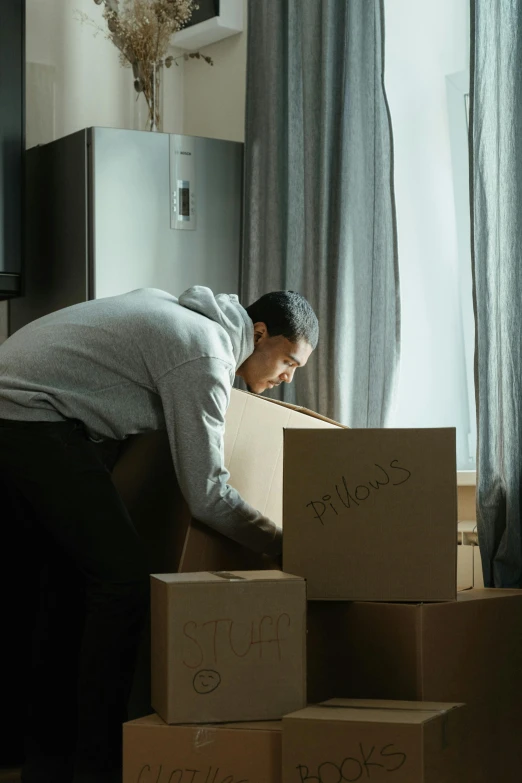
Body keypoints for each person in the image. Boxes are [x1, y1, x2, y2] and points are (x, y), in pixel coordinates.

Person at [0, 285, 318, 783]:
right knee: (122, 582)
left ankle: (45, 758)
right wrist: (284, 543)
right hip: (26, 416)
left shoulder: (186, 320)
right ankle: (98, 763)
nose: (286, 378)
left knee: (66, 585)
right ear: (259, 334)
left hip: (22, 412)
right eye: (289, 362)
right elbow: (208, 495)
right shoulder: (205, 355)